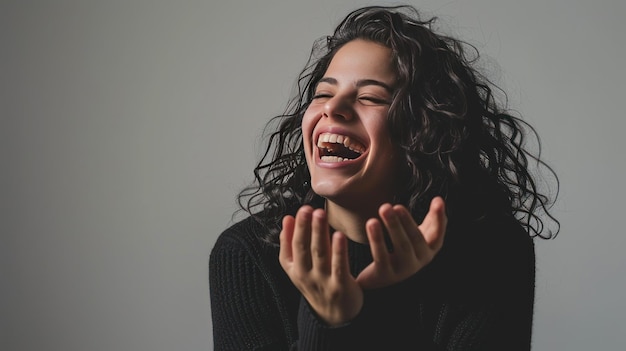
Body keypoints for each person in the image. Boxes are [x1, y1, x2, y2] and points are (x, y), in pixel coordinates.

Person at [209, 5, 559, 350]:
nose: (333, 107)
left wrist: (378, 305)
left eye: (370, 97)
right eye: (324, 93)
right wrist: (328, 322)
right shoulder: (246, 256)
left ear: (424, 131)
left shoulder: (493, 253)